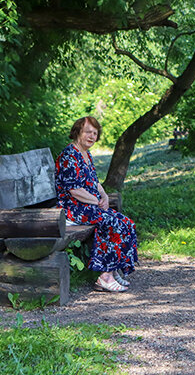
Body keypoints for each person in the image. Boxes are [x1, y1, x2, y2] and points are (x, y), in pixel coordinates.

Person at [55, 116, 138, 292]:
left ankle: (113, 269)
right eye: (88, 132)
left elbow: (94, 182)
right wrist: (97, 201)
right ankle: (105, 277)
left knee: (126, 223)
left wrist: (104, 196)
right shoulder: (69, 156)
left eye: (95, 133)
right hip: (72, 208)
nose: (92, 136)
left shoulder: (86, 154)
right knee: (112, 222)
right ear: (77, 132)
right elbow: (74, 190)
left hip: (87, 206)